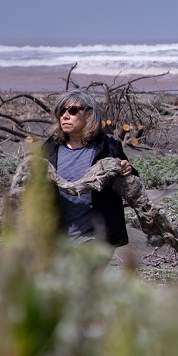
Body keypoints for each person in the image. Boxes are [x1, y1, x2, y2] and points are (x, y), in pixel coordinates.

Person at [44, 90, 136, 246]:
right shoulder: (50, 148)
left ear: (88, 115)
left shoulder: (107, 147)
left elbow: (133, 182)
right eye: (62, 111)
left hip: (96, 237)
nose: (65, 116)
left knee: (82, 271)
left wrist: (127, 170)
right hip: (58, 238)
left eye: (72, 111)